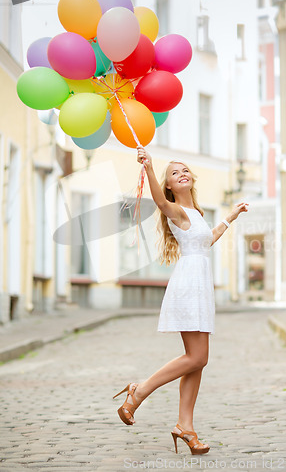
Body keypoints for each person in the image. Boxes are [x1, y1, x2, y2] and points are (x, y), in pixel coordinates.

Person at [113, 145, 249, 455]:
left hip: (200, 285)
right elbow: (159, 202)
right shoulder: (174, 209)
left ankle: (185, 427)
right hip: (189, 286)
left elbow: (207, 240)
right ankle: (140, 391)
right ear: (170, 186)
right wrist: (148, 166)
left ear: (192, 179)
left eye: (185, 169)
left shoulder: (197, 214)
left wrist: (231, 216)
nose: (182, 173)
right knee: (197, 357)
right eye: (174, 173)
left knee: (197, 362)